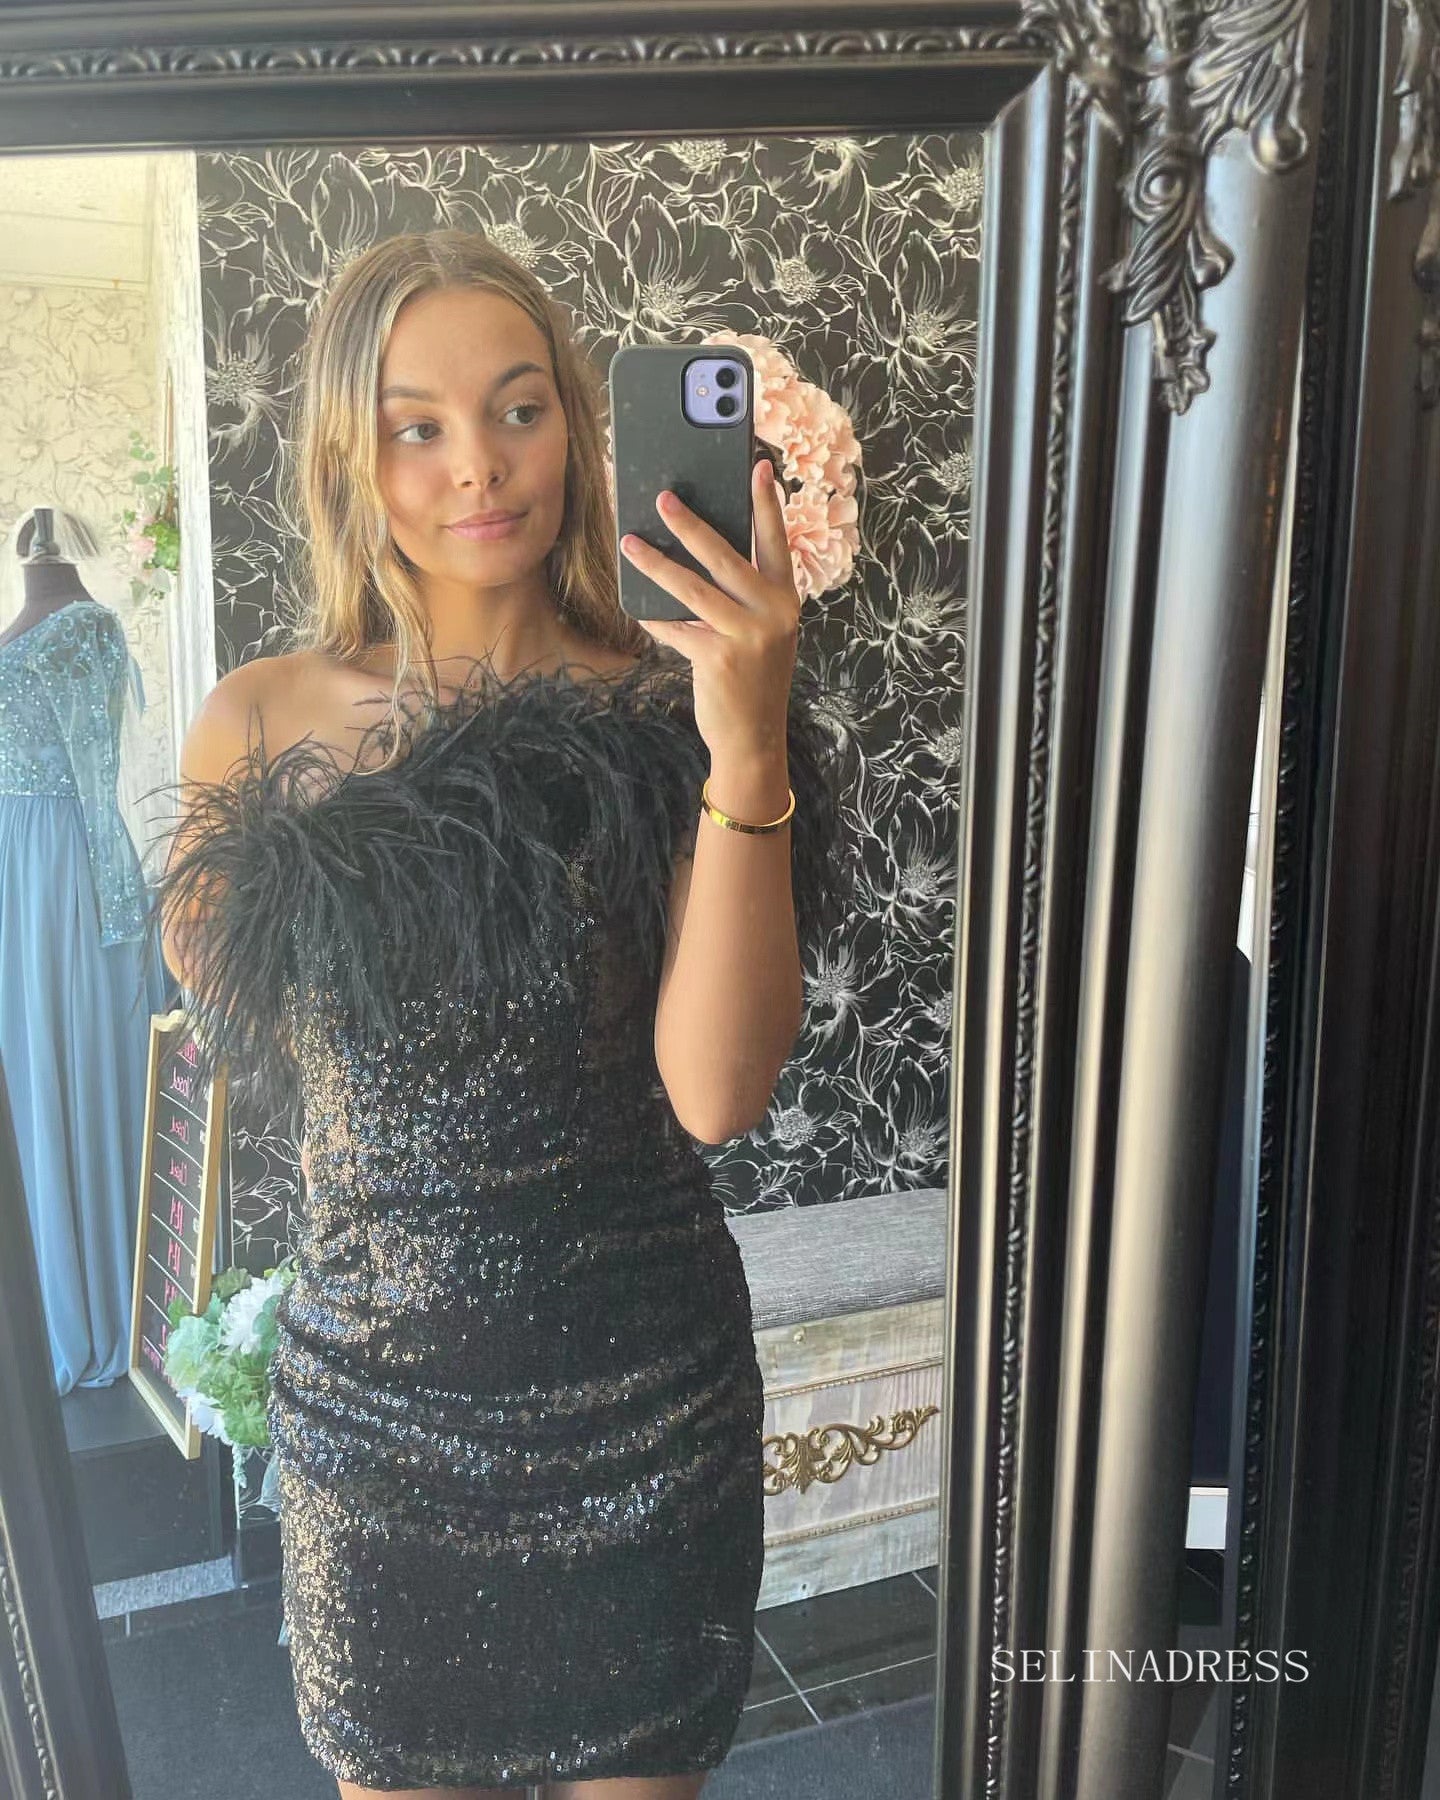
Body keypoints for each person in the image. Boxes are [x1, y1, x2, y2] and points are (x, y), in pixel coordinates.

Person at [147, 228, 849, 1799]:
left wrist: (746, 744)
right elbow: (235, 1007)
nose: (479, 464)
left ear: (579, 430)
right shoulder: (259, 723)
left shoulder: (667, 704)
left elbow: (717, 1095)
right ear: (350, 451)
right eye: (419, 426)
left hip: (646, 1405)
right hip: (380, 1423)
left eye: (521, 409)